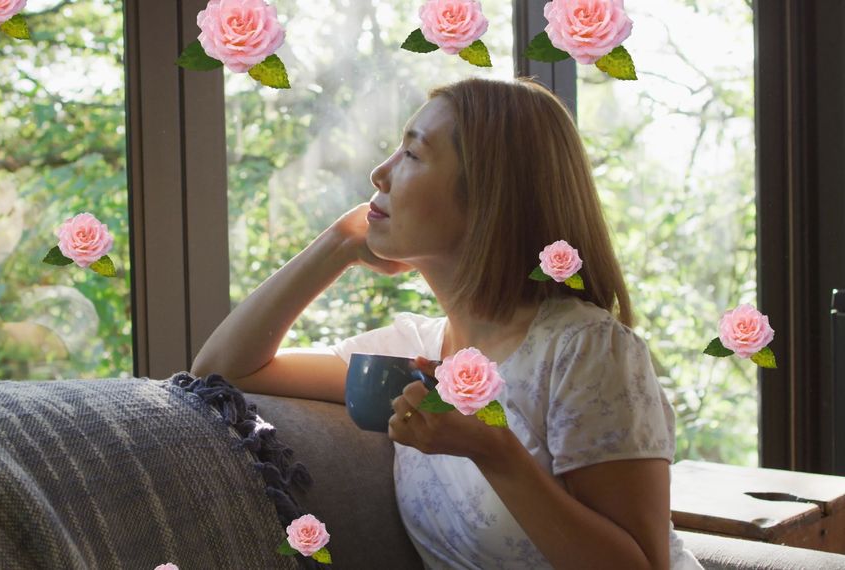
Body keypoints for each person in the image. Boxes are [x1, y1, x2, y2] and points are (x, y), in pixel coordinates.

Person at [192, 77, 703, 569]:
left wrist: (497, 453)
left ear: (487, 193)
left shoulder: (583, 351)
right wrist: (336, 246)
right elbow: (223, 369)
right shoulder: (411, 354)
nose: (380, 173)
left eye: (412, 154)